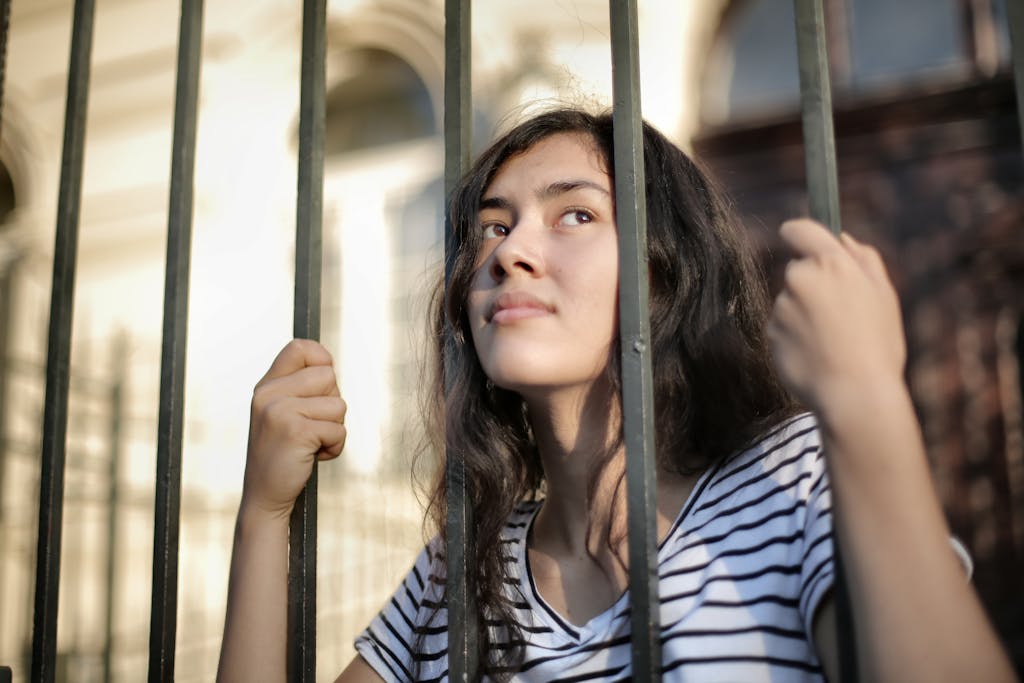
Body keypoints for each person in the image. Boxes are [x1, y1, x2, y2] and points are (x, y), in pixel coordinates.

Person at [217, 109, 1015, 682]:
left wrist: (869, 406)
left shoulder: (788, 481)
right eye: (493, 227)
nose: (512, 251)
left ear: (663, 274)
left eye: (574, 214)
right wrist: (262, 517)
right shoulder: (456, 577)